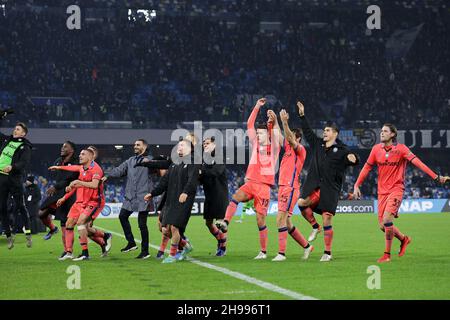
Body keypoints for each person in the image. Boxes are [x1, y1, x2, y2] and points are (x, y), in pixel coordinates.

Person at [353, 123, 450, 263]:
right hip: (382, 192)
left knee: (387, 220)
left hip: (396, 190)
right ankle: (404, 239)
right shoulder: (375, 150)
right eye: (381, 131)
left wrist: (436, 177)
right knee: (382, 226)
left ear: (392, 134)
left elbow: (418, 163)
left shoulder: (401, 149)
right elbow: (366, 168)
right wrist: (357, 185)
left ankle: (387, 255)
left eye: (385, 131)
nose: (381, 133)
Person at [216, 98, 281, 259]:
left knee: (260, 220)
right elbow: (250, 124)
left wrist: (273, 121)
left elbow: (275, 133)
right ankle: (225, 222)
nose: (257, 135)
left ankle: (263, 251)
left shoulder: (274, 146)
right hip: (251, 183)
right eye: (257, 133)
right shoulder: (255, 143)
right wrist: (257, 107)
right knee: (236, 197)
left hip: (264, 187)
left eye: (261, 133)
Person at [296, 101, 359, 262]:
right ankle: (315, 227)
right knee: (302, 203)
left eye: (328, 130)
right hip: (316, 187)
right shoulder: (318, 144)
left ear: (335, 133)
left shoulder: (342, 150)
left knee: (327, 219)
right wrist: (302, 115)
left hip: (331, 190)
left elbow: (352, 159)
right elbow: (308, 132)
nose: (324, 132)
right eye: (324, 130)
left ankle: (327, 253)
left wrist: (354, 159)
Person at [144, 139, 200, 263]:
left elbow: (192, 180)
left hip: (184, 200)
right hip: (171, 200)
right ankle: (185, 246)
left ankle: (172, 255)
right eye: (178, 145)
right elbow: (164, 182)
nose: (179, 147)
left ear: (190, 149)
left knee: (174, 227)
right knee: (165, 230)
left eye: (182, 145)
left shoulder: (193, 161)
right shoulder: (174, 163)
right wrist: (152, 193)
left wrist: (185, 192)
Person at [50, 149, 111, 261]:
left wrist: (77, 183)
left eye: (83, 154)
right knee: (70, 224)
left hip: (93, 201)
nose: (80, 156)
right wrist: (59, 168)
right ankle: (69, 252)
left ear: (91, 156)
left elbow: (94, 185)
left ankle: (86, 253)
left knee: (83, 226)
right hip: (80, 202)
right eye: (80, 154)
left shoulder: (96, 169)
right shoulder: (82, 168)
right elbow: (72, 168)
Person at [271, 109, 313, 262]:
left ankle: (281, 254)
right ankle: (307, 246)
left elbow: (288, 137)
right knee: (287, 223)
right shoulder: (288, 148)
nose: (289, 139)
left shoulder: (300, 150)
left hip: (290, 188)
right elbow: (278, 134)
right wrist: (275, 119)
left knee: (280, 219)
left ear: (298, 139)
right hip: (283, 187)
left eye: (293, 137)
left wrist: (284, 122)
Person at [104, 139, 153, 259]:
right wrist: (106, 174)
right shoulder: (130, 161)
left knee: (142, 224)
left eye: (138, 145)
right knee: (122, 216)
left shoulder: (151, 161)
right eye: (135, 145)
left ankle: (145, 251)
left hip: (143, 196)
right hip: (130, 196)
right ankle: (131, 242)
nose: (135, 146)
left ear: (145, 147)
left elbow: (161, 170)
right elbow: (118, 171)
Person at [38, 141, 78, 258]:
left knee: (65, 223)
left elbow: (70, 178)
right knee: (41, 212)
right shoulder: (59, 161)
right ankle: (52, 229)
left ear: (72, 150)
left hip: (68, 193)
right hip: (57, 192)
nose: (62, 148)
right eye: (62, 146)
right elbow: (55, 173)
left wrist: (56, 186)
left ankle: (68, 251)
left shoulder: (75, 162)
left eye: (65, 147)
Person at [0, 114, 33, 249]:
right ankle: (8, 235)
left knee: (20, 206)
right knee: (2, 208)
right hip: (1, 177)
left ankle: (28, 234)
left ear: (24, 133)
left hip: (14, 179)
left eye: (18, 129)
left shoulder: (25, 147)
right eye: (15, 128)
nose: (15, 130)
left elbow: (23, 163)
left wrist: (12, 167)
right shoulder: (7, 142)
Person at [200, 137, 228, 256]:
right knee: (208, 223)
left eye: (207, 143)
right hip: (209, 195)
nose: (205, 145)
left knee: (220, 223)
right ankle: (220, 240)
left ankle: (222, 247)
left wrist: (201, 172)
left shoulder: (219, 157)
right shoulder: (204, 160)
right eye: (204, 144)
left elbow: (216, 172)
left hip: (220, 195)